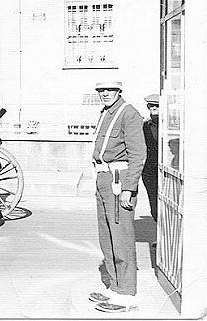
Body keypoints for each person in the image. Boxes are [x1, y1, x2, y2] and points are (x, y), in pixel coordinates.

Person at [88, 81, 146, 313]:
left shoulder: (129, 113)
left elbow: (138, 154)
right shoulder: (106, 113)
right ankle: (114, 286)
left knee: (121, 237)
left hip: (119, 181)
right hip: (103, 178)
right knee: (107, 237)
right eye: (101, 91)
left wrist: (129, 188)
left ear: (119, 91)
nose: (105, 94)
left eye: (109, 90)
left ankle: (127, 295)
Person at [142, 94, 159, 222]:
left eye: (157, 106)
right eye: (151, 106)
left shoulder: (170, 125)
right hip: (150, 171)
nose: (154, 108)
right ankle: (159, 238)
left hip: (166, 171)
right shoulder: (145, 126)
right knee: (154, 206)